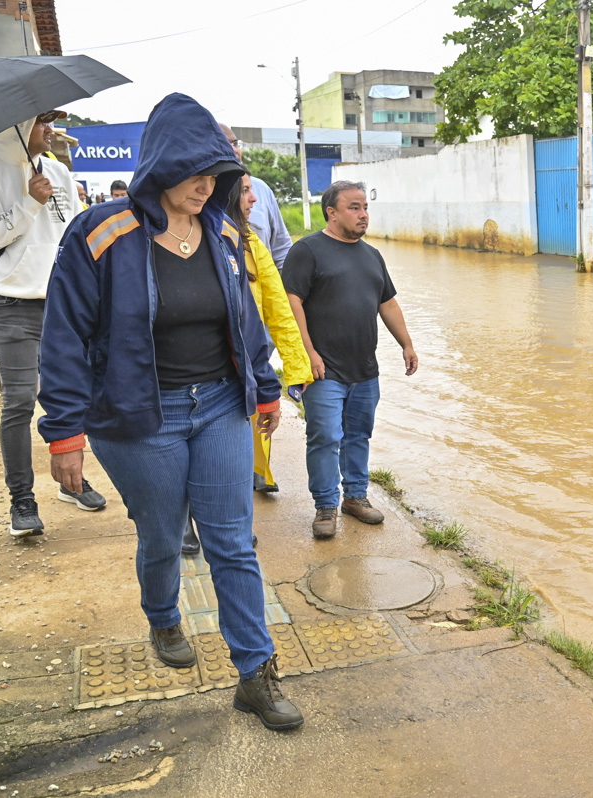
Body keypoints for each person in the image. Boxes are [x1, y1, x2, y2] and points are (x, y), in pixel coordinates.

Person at [37, 93, 302, 730]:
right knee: (161, 534)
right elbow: (64, 334)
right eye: (192, 172)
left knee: (232, 542)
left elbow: (245, 320)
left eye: (215, 174)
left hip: (216, 406)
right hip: (136, 416)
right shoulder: (100, 233)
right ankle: (162, 617)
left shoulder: (223, 233)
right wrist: (63, 431)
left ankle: (255, 672)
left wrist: (265, 387)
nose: (205, 185)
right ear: (159, 166)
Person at [0, 111, 107, 537]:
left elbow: (75, 235)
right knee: (20, 401)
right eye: (41, 122)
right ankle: (21, 498)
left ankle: (71, 480)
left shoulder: (57, 170)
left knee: (76, 397)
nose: (50, 130)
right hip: (11, 304)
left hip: (63, 305)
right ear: (16, 126)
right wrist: (29, 202)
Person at [181, 174, 313, 555]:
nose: (255, 199)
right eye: (245, 190)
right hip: (194, 372)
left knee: (233, 457)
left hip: (242, 373)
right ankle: (185, 523)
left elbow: (276, 309)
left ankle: (232, 524)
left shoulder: (249, 242)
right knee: (187, 456)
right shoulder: (183, 241)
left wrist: (295, 368)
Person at [284, 180, 418, 539]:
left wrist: (406, 343)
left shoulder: (372, 255)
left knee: (359, 435)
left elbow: (386, 302)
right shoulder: (307, 251)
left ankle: (355, 497)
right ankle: (325, 506)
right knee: (325, 436)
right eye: (354, 208)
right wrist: (307, 352)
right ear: (332, 212)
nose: (363, 215)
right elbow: (290, 302)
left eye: (365, 208)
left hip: (364, 369)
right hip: (324, 369)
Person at [220, 125, 291, 269]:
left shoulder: (261, 189)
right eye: (223, 143)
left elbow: (281, 250)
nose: (234, 149)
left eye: (234, 143)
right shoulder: (198, 194)